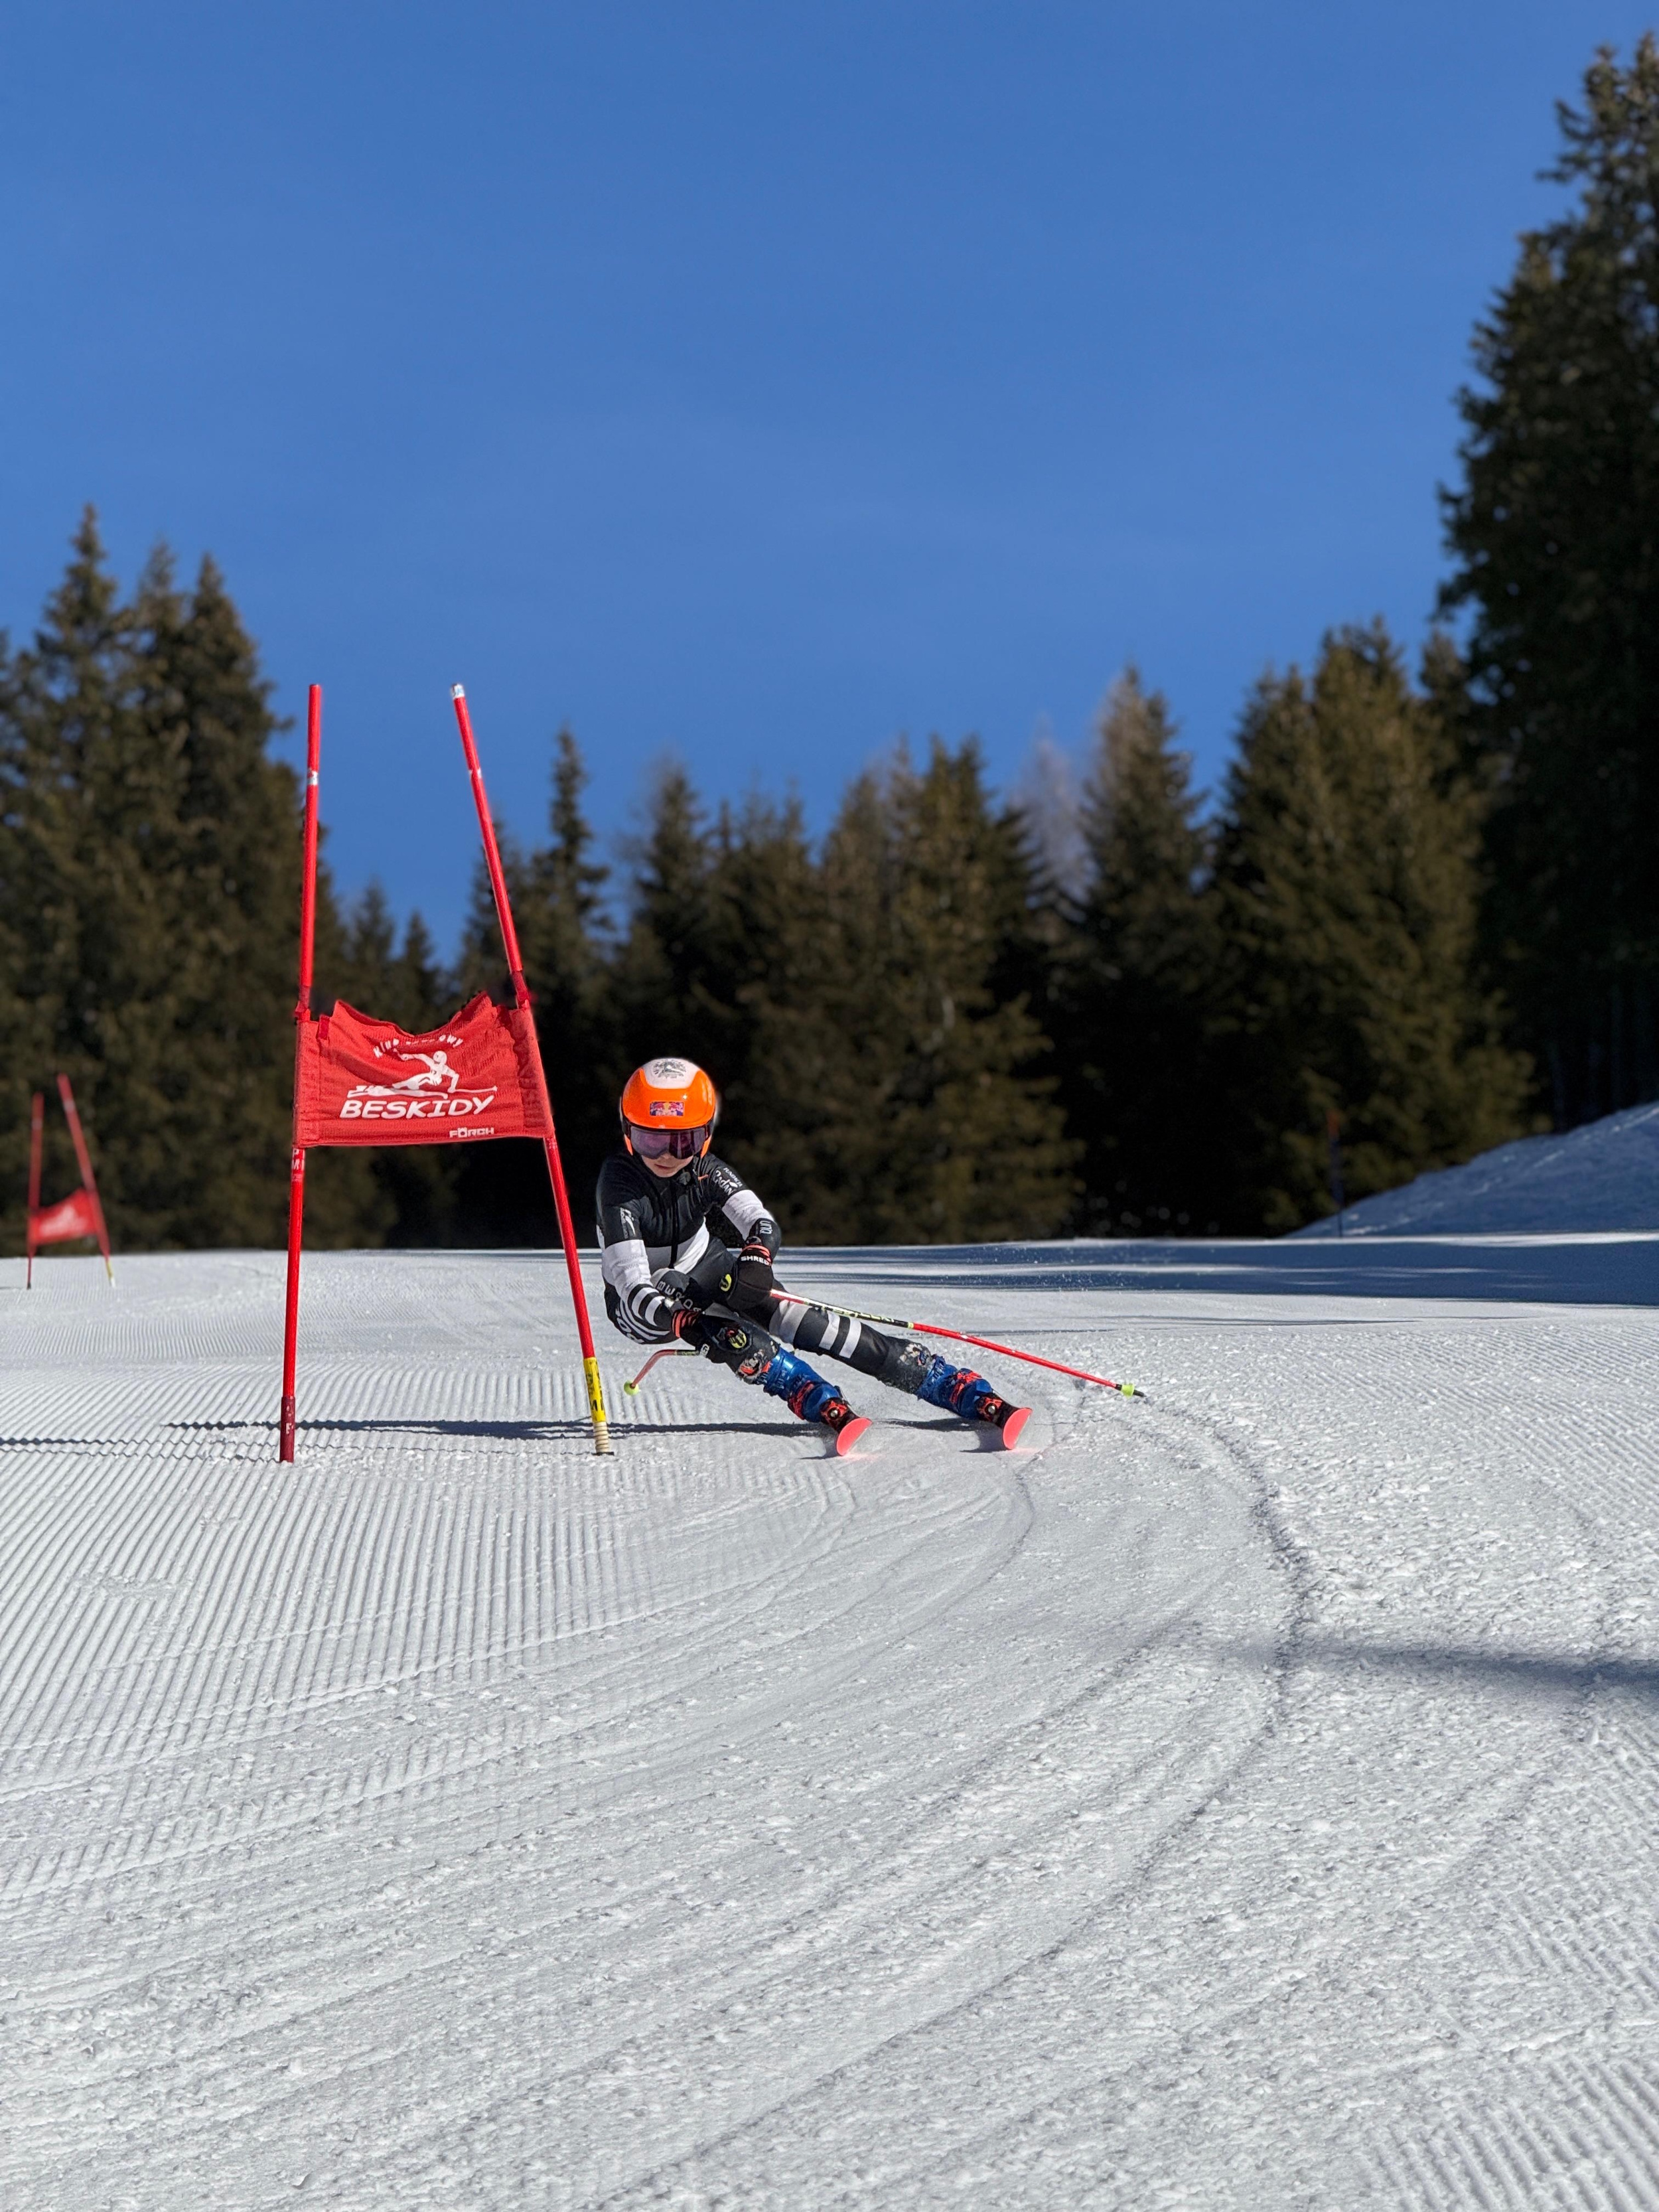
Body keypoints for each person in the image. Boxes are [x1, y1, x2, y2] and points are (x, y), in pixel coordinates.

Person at [596, 1057, 1030, 1454]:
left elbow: (761, 1222)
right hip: (642, 1303)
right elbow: (632, 1283)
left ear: (706, 1136)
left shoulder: (707, 1170)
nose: (669, 1157)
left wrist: (758, 1257)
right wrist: (680, 1318)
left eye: (684, 1141)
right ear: (626, 1130)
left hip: (705, 1262)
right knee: (736, 1338)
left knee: (810, 1322)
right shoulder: (618, 1187)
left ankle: (951, 1383)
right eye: (651, 1140)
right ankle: (809, 1391)